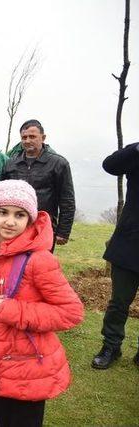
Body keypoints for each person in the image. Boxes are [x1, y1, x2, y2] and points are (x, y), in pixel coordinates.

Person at [0, 179, 83, 426]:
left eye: (19, 215)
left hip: (30, 367)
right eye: (3, 212)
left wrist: (15, 310)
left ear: (30, 219)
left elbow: (72, 312)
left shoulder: (39, 260)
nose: (9, 221)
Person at [92, 142, 139, 369]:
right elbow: (110, 165)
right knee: (119, 302)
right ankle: (111, 345)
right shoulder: (136, 152)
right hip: (130, 243)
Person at [1, 120, 75, 247]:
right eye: (24, 137)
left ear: (43, 137)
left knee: (39, 264)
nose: (28, 141)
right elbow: (1, 196)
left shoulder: (58, 163)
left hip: (43, 226)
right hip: (15, 225)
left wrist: (63, 231)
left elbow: (67, 200)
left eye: (32, 136)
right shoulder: (11, 164)